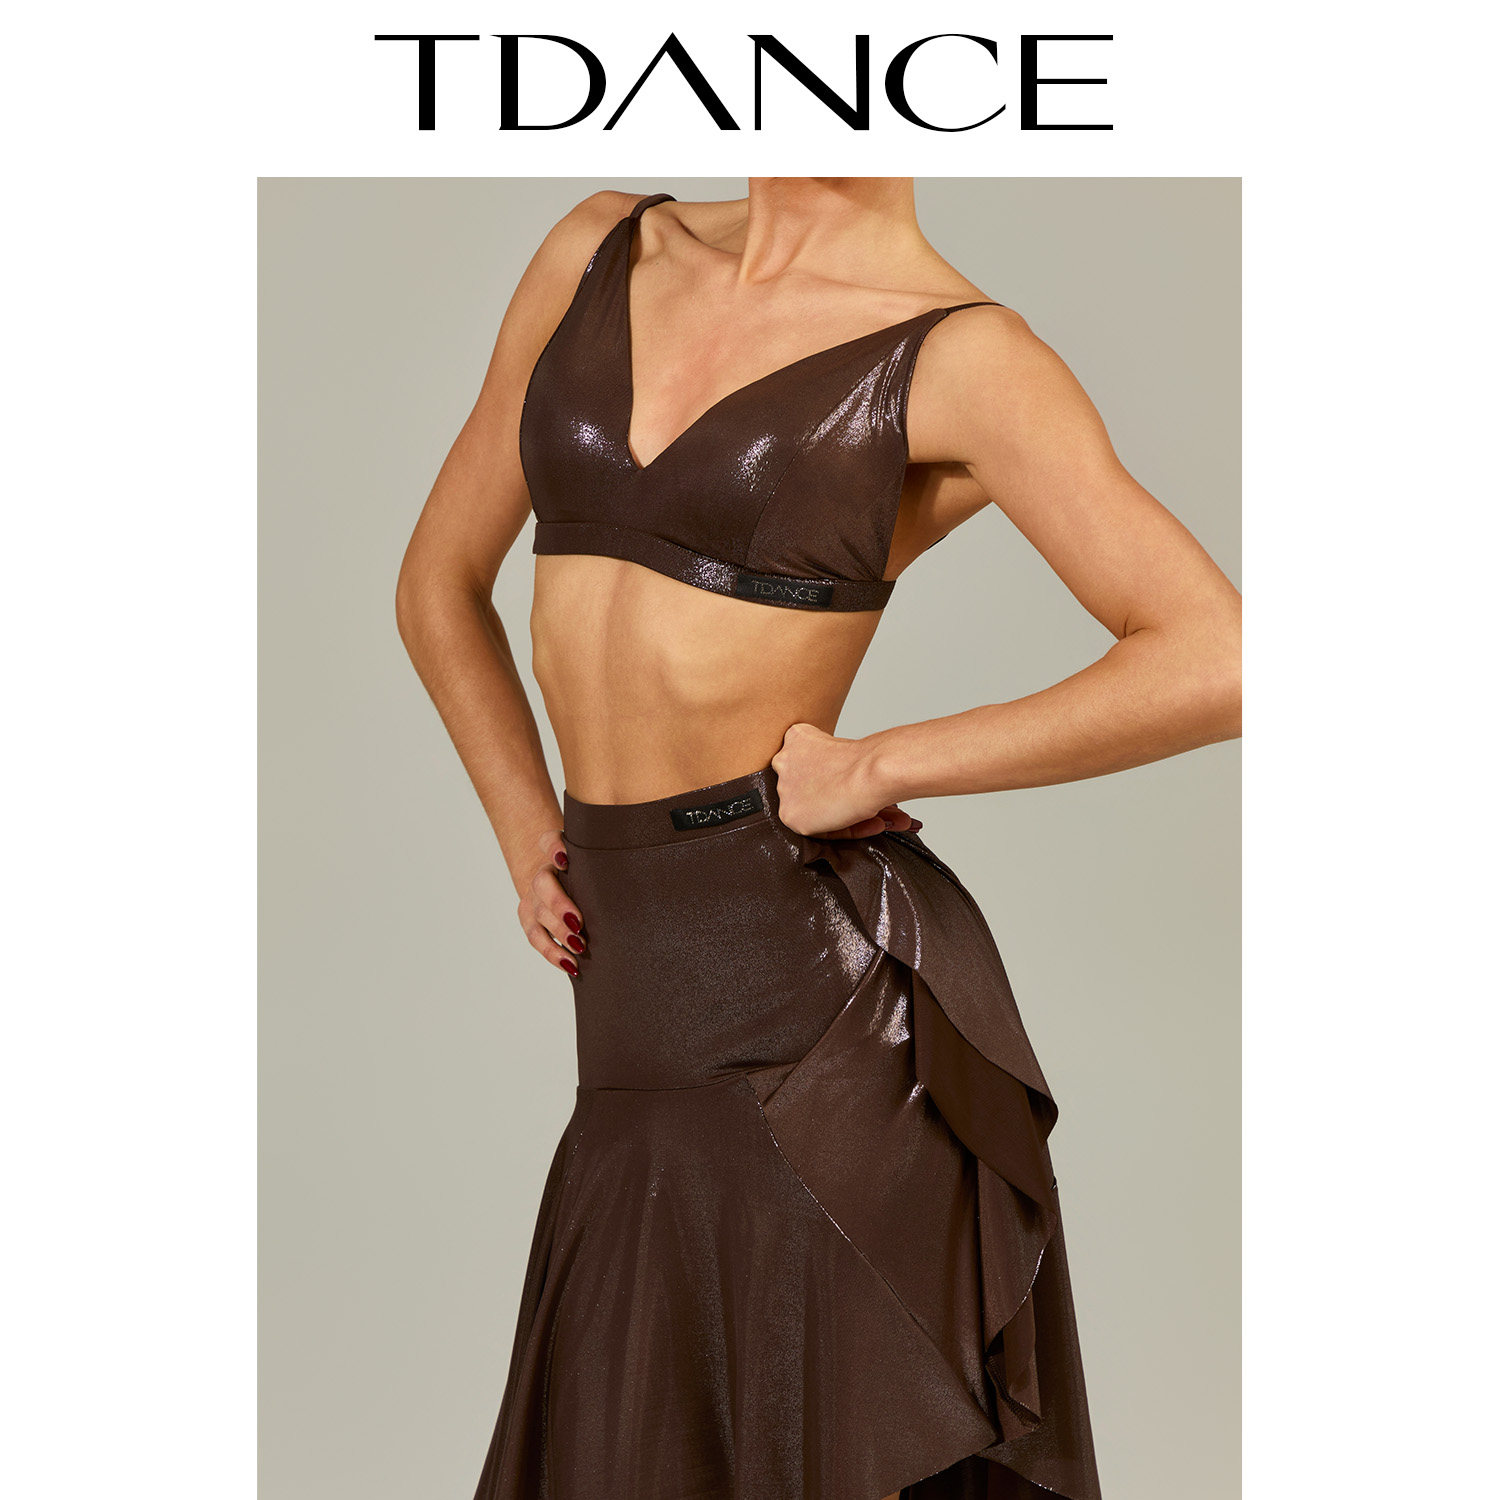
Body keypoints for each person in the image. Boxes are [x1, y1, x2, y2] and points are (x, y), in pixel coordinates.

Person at [395, 179, 1241, 1500]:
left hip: (815, 1028)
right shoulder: (599, 251)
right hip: (633, 1010)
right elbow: (437, 583)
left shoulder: (961, 356)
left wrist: (883, 762)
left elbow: (1218, 658)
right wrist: (527, 833)